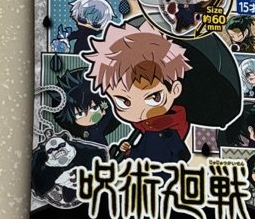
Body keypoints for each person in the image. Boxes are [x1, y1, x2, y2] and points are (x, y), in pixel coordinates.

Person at [82, 20, 193, 163]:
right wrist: (128, 151)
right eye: (123, 102)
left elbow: (183, 156)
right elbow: (141, 153)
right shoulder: (146, 128)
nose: (140, 111)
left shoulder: (168, 130)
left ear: (175, 90)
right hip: (142, 173)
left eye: (154, 97)